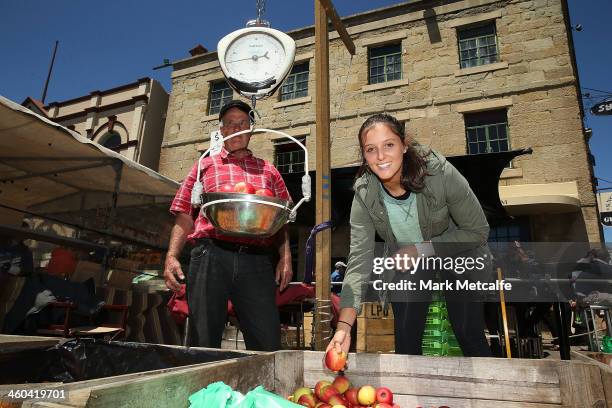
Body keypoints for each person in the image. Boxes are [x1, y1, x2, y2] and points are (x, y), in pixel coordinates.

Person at [326, 113, 492, 357]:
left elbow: (477, 231)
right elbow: (359, 261)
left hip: (456, 252)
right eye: (371, 149)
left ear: (404, 145)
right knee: (406, 336)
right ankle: (411, 393)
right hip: (408, 262)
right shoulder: (364, 192)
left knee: (467, 331)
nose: (381, 157)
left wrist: (420, 249)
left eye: (389, 145)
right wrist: (343, 328)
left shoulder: (438, 172)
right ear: (364, 155)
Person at [164, 99, 293, 351]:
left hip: (256, 259)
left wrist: (285, 257)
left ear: (251, 128)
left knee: (266, 338)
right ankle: (203, 388)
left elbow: (282, 217)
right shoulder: (204, 165)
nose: (236, 129)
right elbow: (184, 214)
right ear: (221, 130)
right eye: (230, 124)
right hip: (210, 254)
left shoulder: (269, 170)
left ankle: (262, 389)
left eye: (242, 123)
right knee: (202, 338)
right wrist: (171, 256)